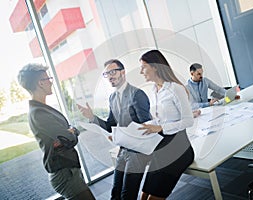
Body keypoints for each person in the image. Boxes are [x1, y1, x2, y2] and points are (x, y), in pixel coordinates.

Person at [17, 63, 95, 200]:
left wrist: (70, 132)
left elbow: (65, 137)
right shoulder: (38, 113)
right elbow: (69, 139)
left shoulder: (42, 109)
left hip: (69, 170)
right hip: (65, 174)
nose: (51, 83)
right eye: (48, 79)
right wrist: (72, 132)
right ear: (41, 83)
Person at [77, 59, 152, 200]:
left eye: (113, 72)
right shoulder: (112, 98)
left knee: (127, 195)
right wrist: (92, 117)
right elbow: (111, 125)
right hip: (123, 149)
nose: (110, 76)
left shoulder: (137, 94)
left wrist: (122, 134)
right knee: (115, 193)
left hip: (138, 151)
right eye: (106, 74)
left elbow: (146, 126)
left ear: (123, 72)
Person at [138, 50, 195, 200]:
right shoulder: (155, 90)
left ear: (155, 67)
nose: (140, 71)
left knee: (153, 198)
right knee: (144, 194)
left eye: (143, 67)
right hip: (162, 147)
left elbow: (188, 120)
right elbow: (160, 120)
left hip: (180, 149)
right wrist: (142, 126)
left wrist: (161, 128)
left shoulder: (175, 89)